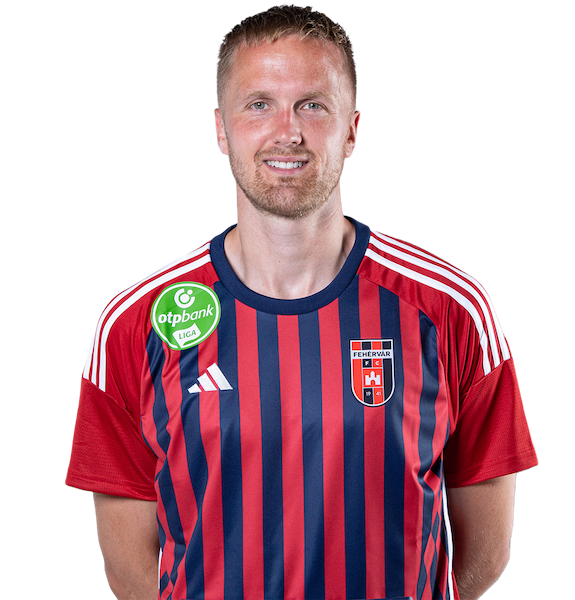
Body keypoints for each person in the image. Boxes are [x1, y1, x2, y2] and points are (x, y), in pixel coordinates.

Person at [64, 4, 539, 600]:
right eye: (259, 104)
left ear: (352, 128)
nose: (286, 131)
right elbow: (129, 567)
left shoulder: (451, 309)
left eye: (312, 105)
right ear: (220, 128)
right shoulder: (135, 323)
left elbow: (485, 550)